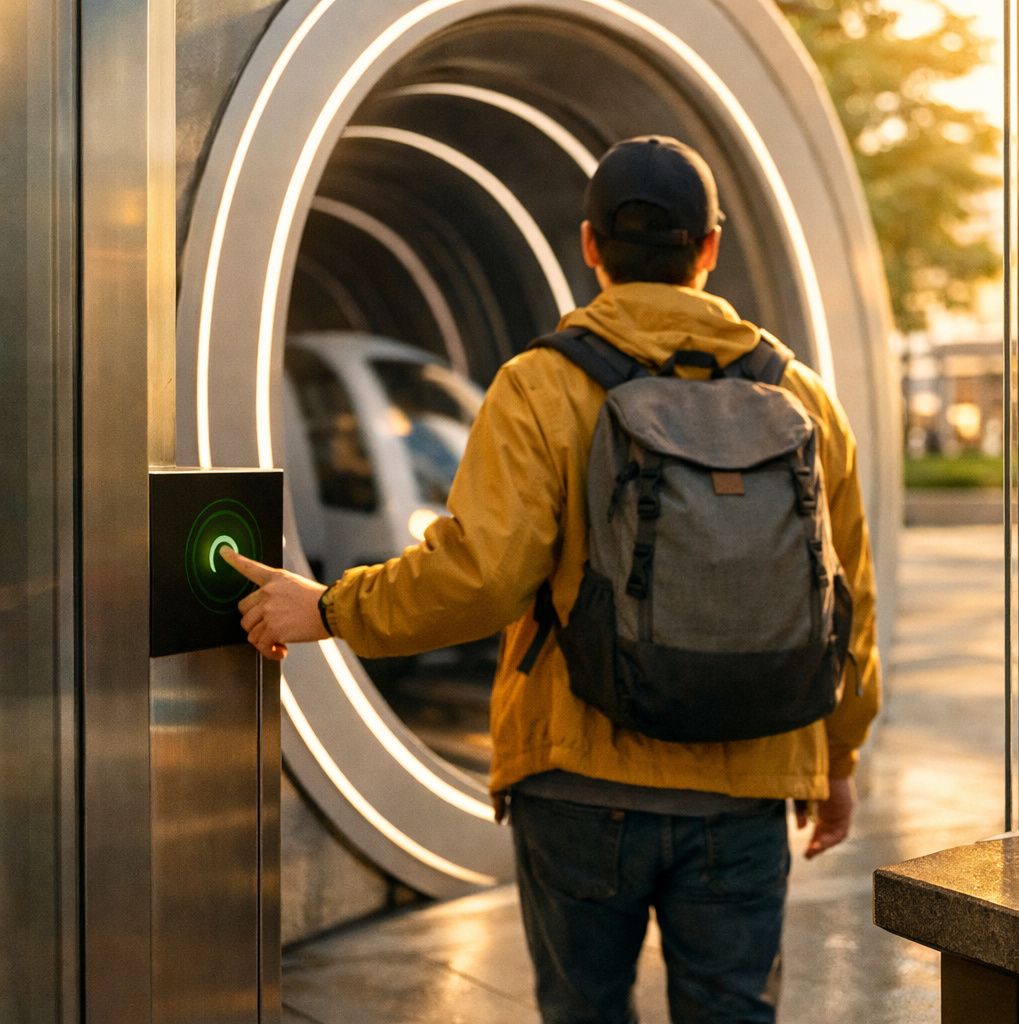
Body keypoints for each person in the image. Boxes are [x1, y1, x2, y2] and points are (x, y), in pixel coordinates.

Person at [227, 134, 881, 1024]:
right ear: (710, 248)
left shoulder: (541, 385)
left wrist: (332, 608)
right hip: (749, 779)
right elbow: (850, 603)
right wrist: (837, 757)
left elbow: (481, 576)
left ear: (590, 245)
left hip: (578, 780)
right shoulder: (801, 395)